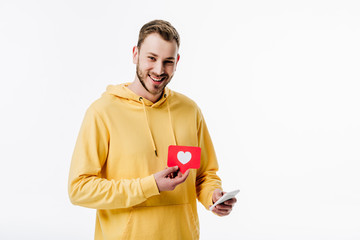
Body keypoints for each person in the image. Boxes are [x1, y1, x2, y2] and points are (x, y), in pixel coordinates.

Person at [68, 19, 237, 240]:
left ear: (177, 62)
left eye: (168, 61)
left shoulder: (189, 110)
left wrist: (213, 197)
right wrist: (150, 186)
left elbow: (204, 175)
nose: (159, 70)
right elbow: (79, 189)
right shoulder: (103, 112)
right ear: (135, 54)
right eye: (151, 58)